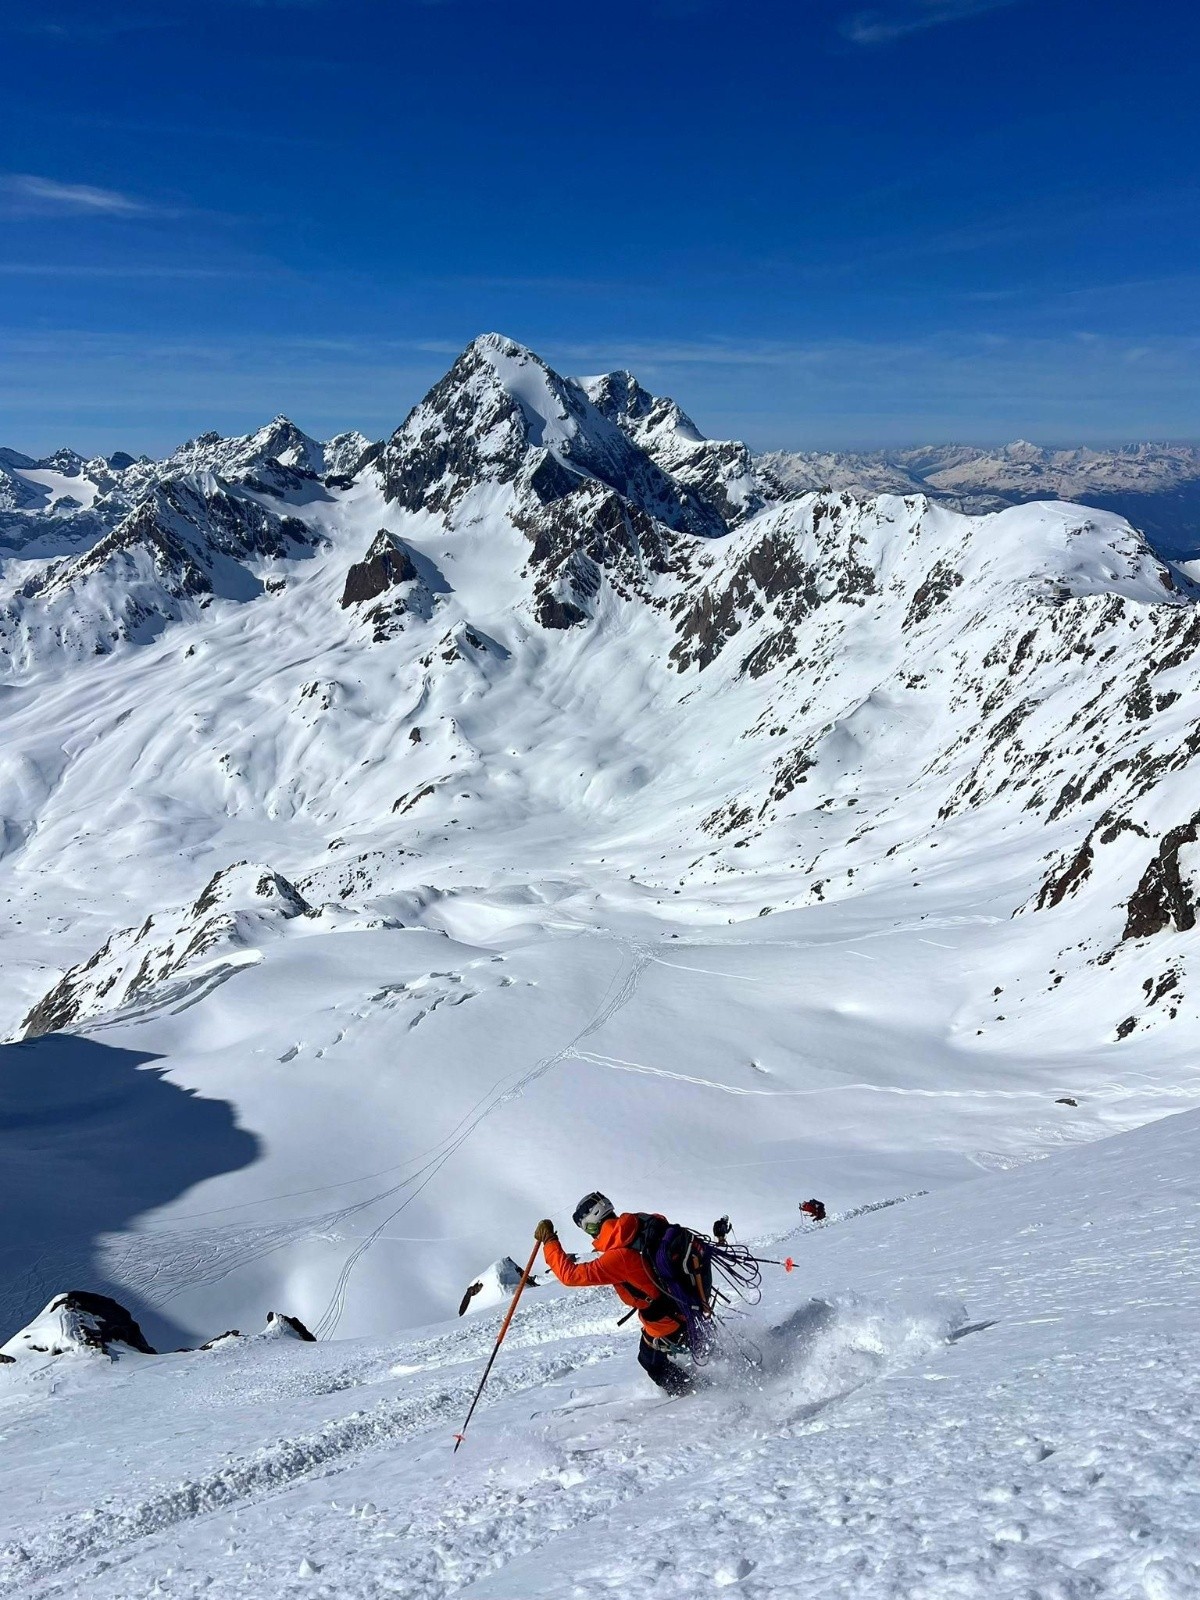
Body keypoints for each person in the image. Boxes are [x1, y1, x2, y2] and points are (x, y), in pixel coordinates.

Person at [534, 1191, 696, 1396]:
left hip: (666, 1320)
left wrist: (549, 1241)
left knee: (649, 1361)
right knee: (692, 1346)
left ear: (591, 1225)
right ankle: (709, 1370)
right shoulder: (639, 1224)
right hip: (687, 1300)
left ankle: (692, 1393)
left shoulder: (618, 1257)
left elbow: (570, 1276)